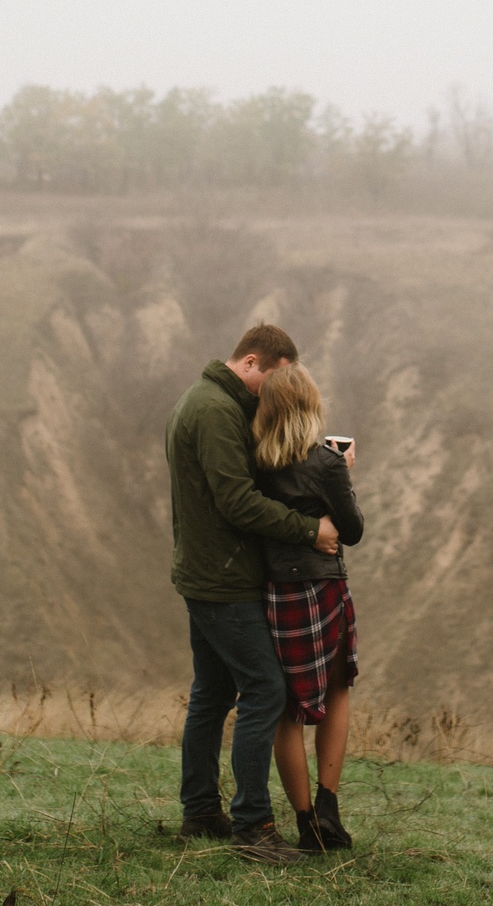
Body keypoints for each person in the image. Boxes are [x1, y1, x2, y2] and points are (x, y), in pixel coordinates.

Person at [164, 322, 339, 865]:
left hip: (205, 571)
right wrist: (311, 529)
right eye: (277, 380)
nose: (277, 393)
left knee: (212, 694)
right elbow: (237, 501)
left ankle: (199, 811)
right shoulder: (216, 411)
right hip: (224, 580)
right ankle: (253, 827)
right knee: (264, 690)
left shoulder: (207, 399)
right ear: (254, 362)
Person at [251, 363, 364, 853]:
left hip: (278, 593)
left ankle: (304, 823)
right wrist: (345, 474)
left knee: (288, 711)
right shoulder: (326, 463)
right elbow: (353, 531)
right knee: (337, 688)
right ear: (310, 407)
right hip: (325, 588)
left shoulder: (255, 464)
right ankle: (329, 807)